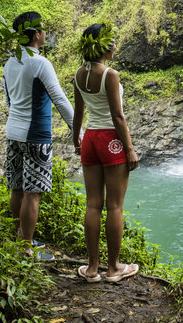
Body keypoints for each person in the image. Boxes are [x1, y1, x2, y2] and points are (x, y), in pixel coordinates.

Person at [3, 11, 77, 261]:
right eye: (43, 29)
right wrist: (78, 131)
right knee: (33, 192)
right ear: (36, 35)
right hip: (36, 135)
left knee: (17, 187)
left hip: (13, 132)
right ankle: (26, 248)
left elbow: (8, 101)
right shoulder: (40, 63)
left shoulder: (10, 62)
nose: (45, 33)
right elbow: (60, 99)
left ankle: (19, 238)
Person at [72, 21, 139, 284]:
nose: (115, 45)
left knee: (92, 204)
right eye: (111, 41)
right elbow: (118, 116)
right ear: (103, 46)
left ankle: (91, 269)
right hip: (111, 139)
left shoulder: (79, 74)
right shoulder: (110, 75)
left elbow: (79, 111)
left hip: (90, 137)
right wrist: (130, 150)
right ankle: (113, 269)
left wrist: (75, 137)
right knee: (114, 206)